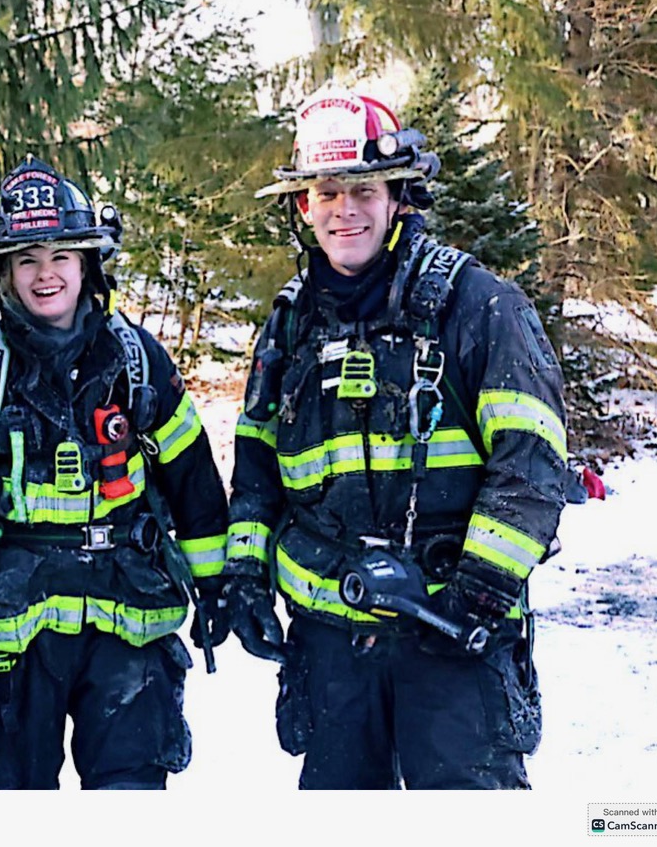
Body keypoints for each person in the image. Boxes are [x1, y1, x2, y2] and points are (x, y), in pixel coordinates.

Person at [226, 85, 568, 789]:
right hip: (331, 642)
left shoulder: (478, 306)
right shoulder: (291, 324)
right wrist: (245, 578)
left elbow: (531, 465)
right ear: (303, 206)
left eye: (364, 190)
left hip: (453, 633)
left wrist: (475, 594)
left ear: (398, 198)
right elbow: (257, 468)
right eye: (327, 192)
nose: (344, 210)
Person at [0, 156, 234, 789]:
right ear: (4, 273)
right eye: (26, 259)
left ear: (88, 265)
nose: (45, 274)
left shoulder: (136, 362)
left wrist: (217, 586)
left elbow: (194, 482)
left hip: (128, 618)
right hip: (11, 631)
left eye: (61, 256)